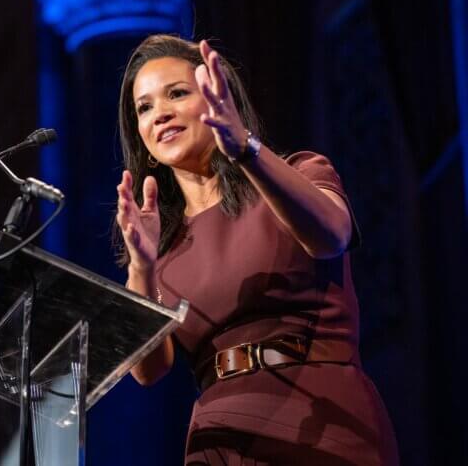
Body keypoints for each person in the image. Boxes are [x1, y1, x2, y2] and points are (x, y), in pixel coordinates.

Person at [115, 34, 399, 465]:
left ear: (216, 98)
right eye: (145, 107)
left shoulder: (299, 172)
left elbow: (333, 236)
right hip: (220, 439)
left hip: (321, 417)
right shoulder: (161, 247)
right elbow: (148, 371)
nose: (161, 114)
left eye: (177, 94)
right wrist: (142, 266)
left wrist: (245, 149)